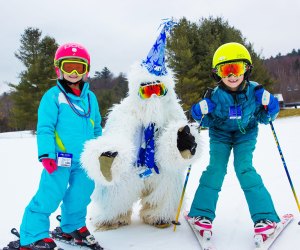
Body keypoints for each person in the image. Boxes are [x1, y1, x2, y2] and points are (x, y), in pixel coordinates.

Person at [80, 20, 201, 231]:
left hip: (160, 167)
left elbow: (181, 143)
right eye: (146, 91)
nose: (153, 97)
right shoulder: (125, 111)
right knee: (119, 179)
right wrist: (110, 154)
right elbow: (115, 135)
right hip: (133, 166)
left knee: (170, 177)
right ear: (136, 91)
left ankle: (159, 212)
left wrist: (183, 143)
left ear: (167, 91)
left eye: (158, 90)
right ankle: (114, 214)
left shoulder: (172, 111)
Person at [6, 43, 103, 250]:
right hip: (59, 158)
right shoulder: (52, 96)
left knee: (82, 194)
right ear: (59, 69)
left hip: (85, 159)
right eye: (69, 67)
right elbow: (45, 128)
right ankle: (32, 235)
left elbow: (96, 127)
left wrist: (100, 150)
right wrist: (47, 154)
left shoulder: (90, 97)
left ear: (86, 69)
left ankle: (72, 226)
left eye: (79, 67)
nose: (74, 72)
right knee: (50, 195)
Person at [188, 42, 280, 242]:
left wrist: (270, 107)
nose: (232, 75)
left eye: (236, 68)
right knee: (216, 169)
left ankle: (265, 218)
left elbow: (265, 119)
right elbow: (207, 120)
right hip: (220, 135)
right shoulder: (214, 95)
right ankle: (201, 214)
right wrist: (199, 111)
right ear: (217, 73)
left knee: (244, 168)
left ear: (246, 69)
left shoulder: (255, 92)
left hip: (245, 134)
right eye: (225, 69)